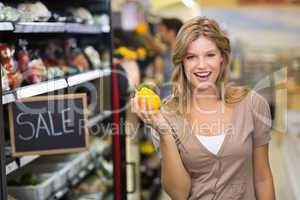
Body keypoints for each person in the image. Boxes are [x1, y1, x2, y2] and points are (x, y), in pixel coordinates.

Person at [132, 16, 275, 200]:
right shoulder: (166, 115)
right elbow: (179, 193)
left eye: (210, 55)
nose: (201, 65)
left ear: (222, 58)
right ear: (182, 62)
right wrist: (164, 131)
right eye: (191, 57)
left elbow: (263, 178)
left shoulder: (252, 105)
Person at [140, 17, 183, 98]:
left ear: (171, 32)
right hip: (166, 98)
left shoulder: (183, 55)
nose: (159, 34)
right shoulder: (167, 52)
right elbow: (154, 47)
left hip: (176, 100)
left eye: (162, 30)